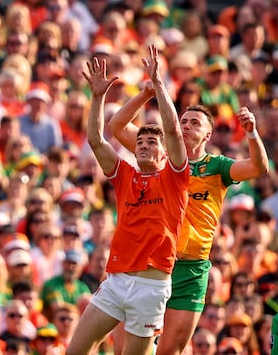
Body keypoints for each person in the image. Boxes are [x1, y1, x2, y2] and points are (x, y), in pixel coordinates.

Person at [108, 94, 268, 354]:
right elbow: (117, 127)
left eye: (195, 122)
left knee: (169, 351)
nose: (186, 125)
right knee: (125, 350)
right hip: (152, 264)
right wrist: (147, 93)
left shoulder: (217, 167)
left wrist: (251, 134)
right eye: (183, 120)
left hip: (191, 269)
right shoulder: (161, 157)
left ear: (208, 135)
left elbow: (258, 168)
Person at [67, 45, 189, 355]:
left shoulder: (175, 178)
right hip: (117, 280)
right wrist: (97, 98)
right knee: (75, 351)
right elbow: (96, 138)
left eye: (152, 142)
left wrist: (157, 85)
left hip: (151, 286)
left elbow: (173, 130)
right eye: (141, 142)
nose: (145, 145)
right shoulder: (125, 175)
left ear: (165, 153)